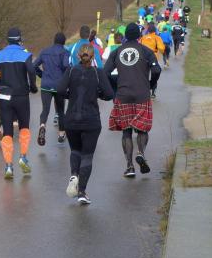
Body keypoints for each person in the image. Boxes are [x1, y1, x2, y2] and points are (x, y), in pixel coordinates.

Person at [57, 44, 114, 205]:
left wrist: (70, 95)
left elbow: (60, 90)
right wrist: (98, 94)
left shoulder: (70, 71)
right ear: (93, 56)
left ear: (78, 56)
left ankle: (74, 174)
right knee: (87, 155)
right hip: (91, 120)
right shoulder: (98, 73)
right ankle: (82, 192)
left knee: (75, 150)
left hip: (71, 120)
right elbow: (109, 94)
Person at [104, 23, 161, 178]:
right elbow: (156, 69)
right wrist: (151, 84)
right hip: (142, 95)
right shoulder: (146, 51)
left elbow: (105, 72)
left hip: (123, 96)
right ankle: (140, 152)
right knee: (143, 129)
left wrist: (115, 85)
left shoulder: (116, 52)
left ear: (125, 36)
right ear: (139, 36)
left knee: (126, 132)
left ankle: (129, 167)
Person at [0, 28, 38, 179]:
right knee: (24, 127)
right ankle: (23, 157)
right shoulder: (25, 55)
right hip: (21, 96)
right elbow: (31, 71)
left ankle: (8, 166)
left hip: (4, 96)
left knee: (7, 132)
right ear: (19, 39)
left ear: (8, 40)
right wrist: (33, 86)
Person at [34, 33, 70, 146]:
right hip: (59, 85)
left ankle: (42, 126)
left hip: (46, 85)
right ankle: (61, 134)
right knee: (60, 111)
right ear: (64, 42)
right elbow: (66, 66)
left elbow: (34, 65)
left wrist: (41, 75)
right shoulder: (65, 52)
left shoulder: (44, 51)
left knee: (45, 109)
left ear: (54, 40)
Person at [139, 23, 164, 98]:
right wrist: (159, 51)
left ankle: (145, 91)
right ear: (155, 31)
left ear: (148, 30)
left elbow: (138, 46)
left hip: (144, 59)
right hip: (154, 58)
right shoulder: (157, 38)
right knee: (155, 75)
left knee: (145, 75)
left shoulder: (143, 38)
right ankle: (153, 92)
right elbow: (161, 48)